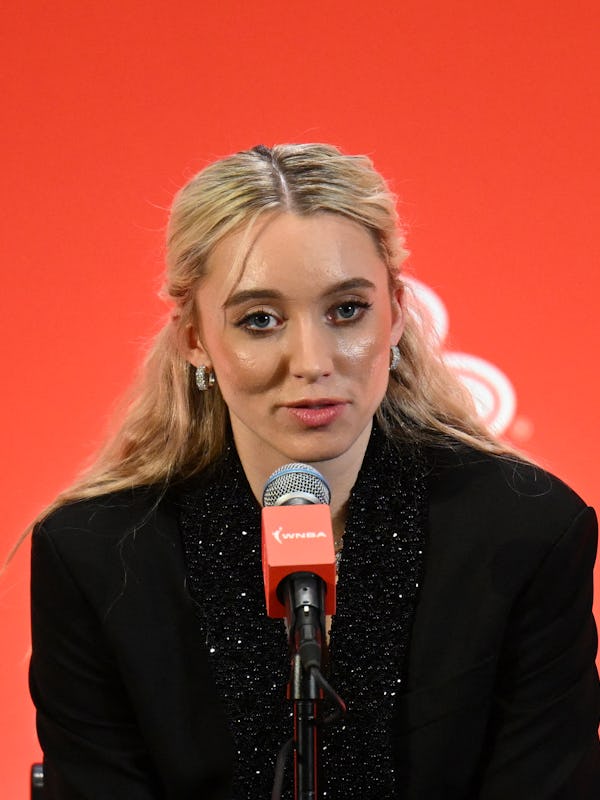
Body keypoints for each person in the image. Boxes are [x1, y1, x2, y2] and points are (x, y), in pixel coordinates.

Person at [30, 143, 600, 799]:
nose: (312, 359)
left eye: (347, 310)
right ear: (194, 338)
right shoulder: (96, 556)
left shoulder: (528, 532)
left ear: (395, 311)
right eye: (261, 320)